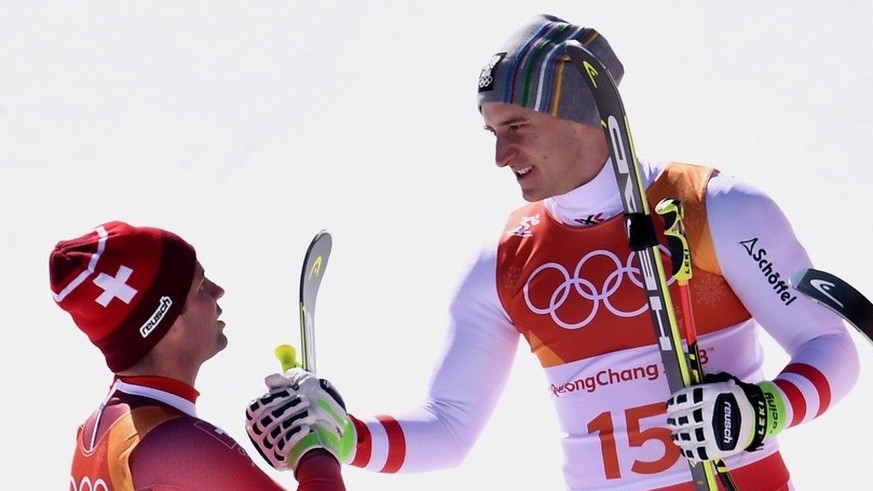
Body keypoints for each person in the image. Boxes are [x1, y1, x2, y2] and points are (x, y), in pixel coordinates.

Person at [245, 14, 861, 490]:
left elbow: (831, 347)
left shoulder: (715, 207)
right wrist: (343, 436)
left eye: (517, 128)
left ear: (582, 119)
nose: (500, 156)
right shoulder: (504, 261)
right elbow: (450, 428)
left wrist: (766, 409)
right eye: (493, 132)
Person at [51, 220, 348, 491]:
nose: (218, 291)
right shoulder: (176, 445)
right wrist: (316, 448)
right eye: (201, 287)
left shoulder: (96, 429)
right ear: (168, 323)